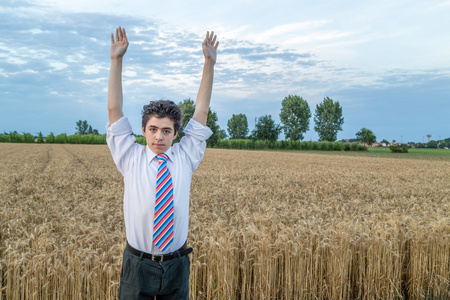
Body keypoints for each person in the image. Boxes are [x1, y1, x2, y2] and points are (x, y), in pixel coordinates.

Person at [106, 26, 219, 299]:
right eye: (154, 129)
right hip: (138, 264)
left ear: (175, 134)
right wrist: (116, 60)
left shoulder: (185, 156)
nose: (159, 137)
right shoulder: (130, 157)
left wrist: (209, 63)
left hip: (177, 264)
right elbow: (114, 110)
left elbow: (201, 111)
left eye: (166, 131)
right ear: (143, 130)